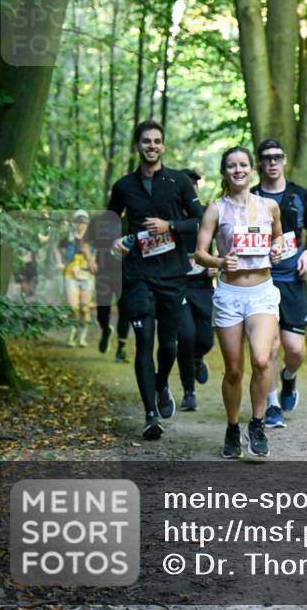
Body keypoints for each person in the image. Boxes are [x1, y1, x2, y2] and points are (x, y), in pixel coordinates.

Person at [108, 120, 204, 440]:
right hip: (137, 275)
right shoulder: (124, 186)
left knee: (168, 345)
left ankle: (162, 383)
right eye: (146, 141)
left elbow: (200, 221)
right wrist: (115, 241)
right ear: (137, 145)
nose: (152, 146)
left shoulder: (178, 181)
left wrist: (170, 226)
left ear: (163, 146)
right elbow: (109, 221)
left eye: (157, 141)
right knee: (144, 342)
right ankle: (150, 414)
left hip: (173, 274)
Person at [195, 146, 283, 459]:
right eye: (231, 166)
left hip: (261, 292)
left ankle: (256, 424)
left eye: (243, 165)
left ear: (251, 169)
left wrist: (277, 249)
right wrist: (220, 262)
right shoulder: (215, 209)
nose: (238, 170)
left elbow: (279, 238)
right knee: (234, 369)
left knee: (262, 360)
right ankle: (232, 427)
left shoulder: (269, 206)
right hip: (230, 295)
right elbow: (200, 253)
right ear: (224, 172)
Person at [250, 139, 307, 428]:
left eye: (277, 157)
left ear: (285, 159)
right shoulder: (251, 197)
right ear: (259, 163)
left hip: (293, 280)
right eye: (266, 158)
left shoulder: (300, 195)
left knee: (294, 351)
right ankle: (272, 404)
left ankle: (289, 378)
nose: (272, 162)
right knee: (270, 348)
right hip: (261, 281)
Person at [175, 169, 216, 412]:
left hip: (202, 287)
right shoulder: (168, 215)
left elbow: (223, 242)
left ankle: (198, 358)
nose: (190, 189)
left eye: (193, 186)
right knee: (186, 336)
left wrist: (216, 264)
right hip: (178, 287)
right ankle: (188, 392)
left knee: (206, 339)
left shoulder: (207, 214)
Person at [90, 206, 130, 362]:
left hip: (125, 273)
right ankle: (106, 329)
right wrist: (90, 260)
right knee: (102, 311)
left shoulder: (132, 220)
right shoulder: (98, 221)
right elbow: (86, 243)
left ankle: (121, 348)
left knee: (125, 311)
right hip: (103, 273)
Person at [55, 209, 97, 347]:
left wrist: (94, 262)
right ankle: (71, 335)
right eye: (79, 221)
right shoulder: (68, 237)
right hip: (70, 274)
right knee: (73, 308)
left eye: (84, 221)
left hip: (87, 275)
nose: (81, 224)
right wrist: (60, 263)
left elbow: (99, 252)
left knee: (85, 309)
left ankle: (82, 337)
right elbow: (57, 249)